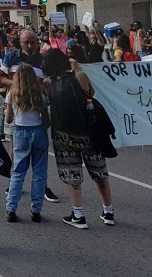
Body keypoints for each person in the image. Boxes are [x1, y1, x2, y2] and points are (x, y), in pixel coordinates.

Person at [42, 49, 115, 229]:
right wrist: (76, 69)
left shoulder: (48, 82)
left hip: (63, 135)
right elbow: (91, 93)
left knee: (72, 174)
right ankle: (108, 212)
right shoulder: (80, 76)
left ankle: (78, 214)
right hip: (89, 133)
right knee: (99, 173)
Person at [0, 29, 60, 204]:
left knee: (39, 156)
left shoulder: (42, 59)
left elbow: (50, 81)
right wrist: (17, 85)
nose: (30, 46)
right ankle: (13, 184)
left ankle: (43, 187)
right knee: (14, 149)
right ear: (20, 42)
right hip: (15, 106)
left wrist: (40, 88)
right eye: (26, 43)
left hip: (36, 107)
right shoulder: (11, 57)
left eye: (33, 42)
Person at [5, 64, 49, 223]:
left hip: (21, 132)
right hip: (38, 131)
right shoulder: (40, 95)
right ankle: (36, 210)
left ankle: (11, 208)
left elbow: (9, 119)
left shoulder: (12, 94)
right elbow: (45, 119)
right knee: (39, 172)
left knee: (18, 171)